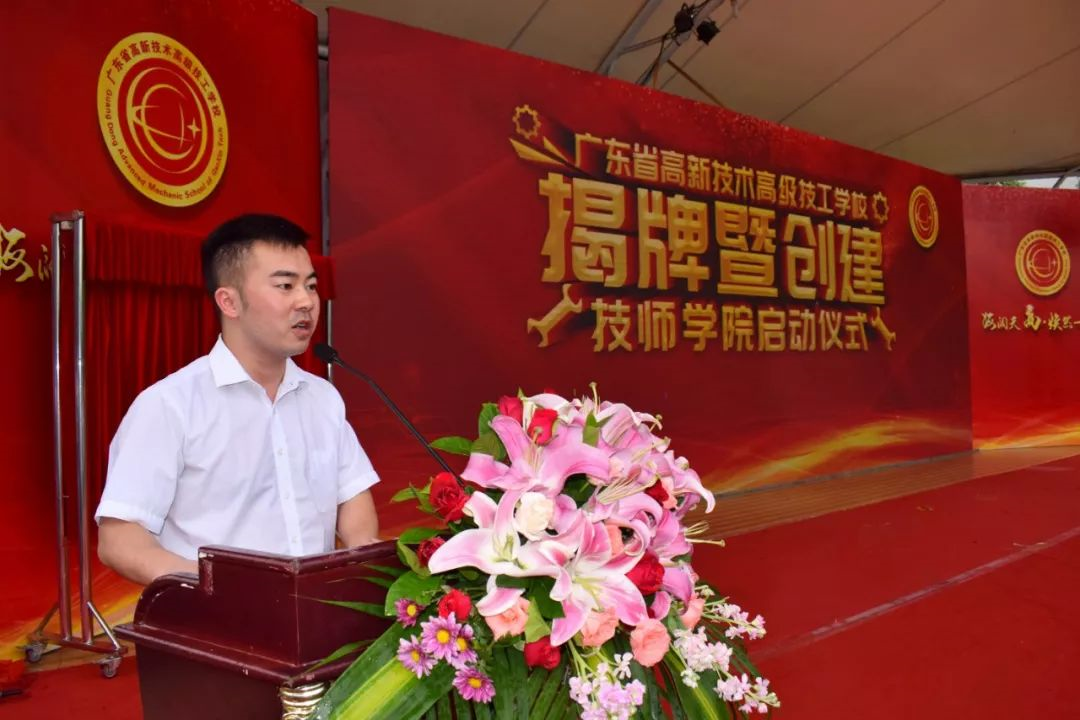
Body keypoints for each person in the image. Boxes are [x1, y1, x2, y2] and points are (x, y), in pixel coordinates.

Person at [95, 214, 379, 584]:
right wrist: (225, 589)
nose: (307, 301)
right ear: (229, 302)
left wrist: (361, 558)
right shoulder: (170, 405)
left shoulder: (323, 398)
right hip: (216, 615)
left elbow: (352, 495)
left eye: (310, 285)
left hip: (314, 611)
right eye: (285, 285)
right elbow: (120, 542)